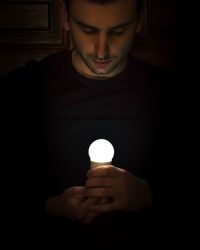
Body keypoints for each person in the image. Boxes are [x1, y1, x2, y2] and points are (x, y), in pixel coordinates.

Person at [2, 0, 178, 249]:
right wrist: (52, 205)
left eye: (118, 31)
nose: (102, 51)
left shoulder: (166, 94)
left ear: (139, 20)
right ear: (65, 16)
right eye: (88, 30)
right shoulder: (24, 89)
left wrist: (147, 194)